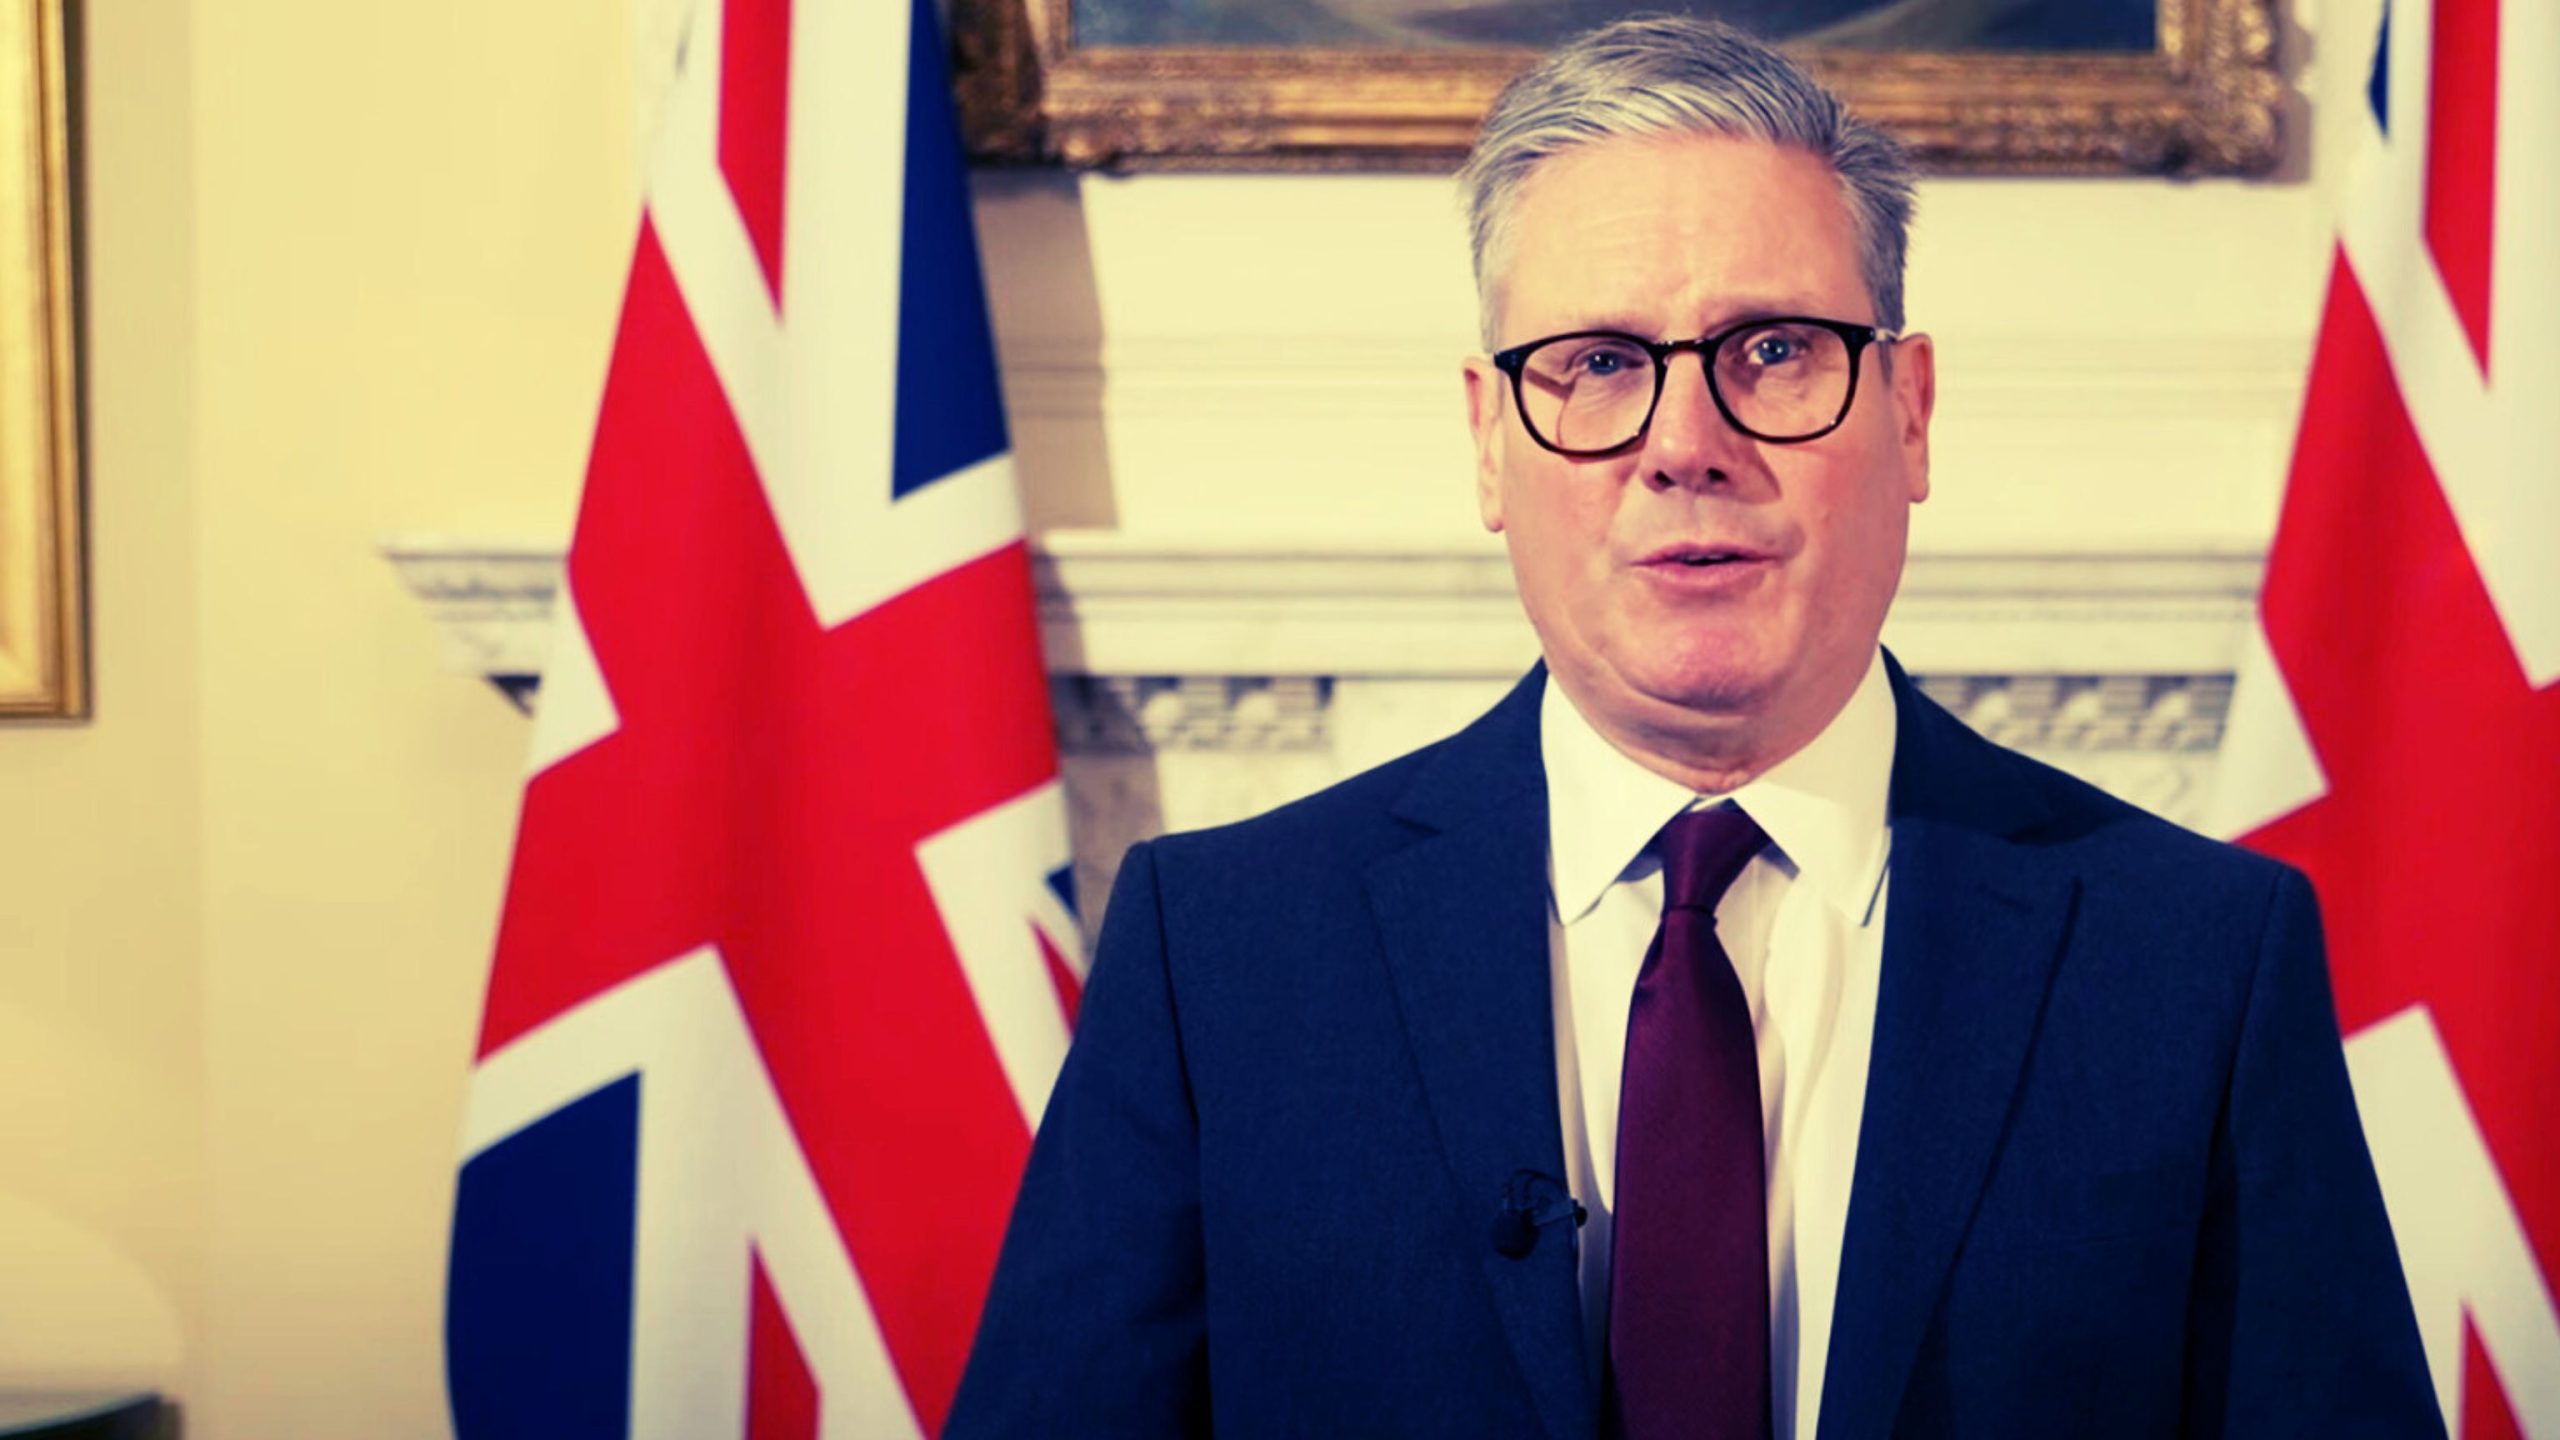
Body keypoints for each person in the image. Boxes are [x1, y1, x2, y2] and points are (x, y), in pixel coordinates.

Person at [948, 16, 2440, 1439]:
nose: (1683, 445)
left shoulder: (2196, 961)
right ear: (1488, 438)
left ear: (1909, 413)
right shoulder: (1220, 957)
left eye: (1775, 350)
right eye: (1596, 364)